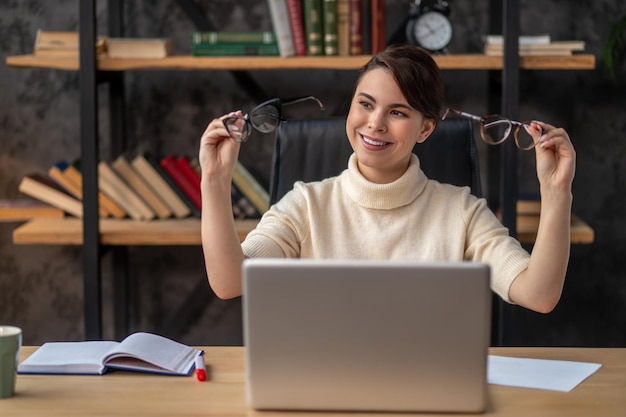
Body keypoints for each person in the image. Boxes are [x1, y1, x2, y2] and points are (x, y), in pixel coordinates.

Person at [198, 44, 575, 314]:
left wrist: (557, 193)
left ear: (426, 128)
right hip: (325, 388)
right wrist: (214, 183)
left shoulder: (461, 211)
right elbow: (230, 282)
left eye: (397, 112)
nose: (375, 123)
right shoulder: (305, 205)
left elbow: (538, 295)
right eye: (365, 104)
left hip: (431, 391)